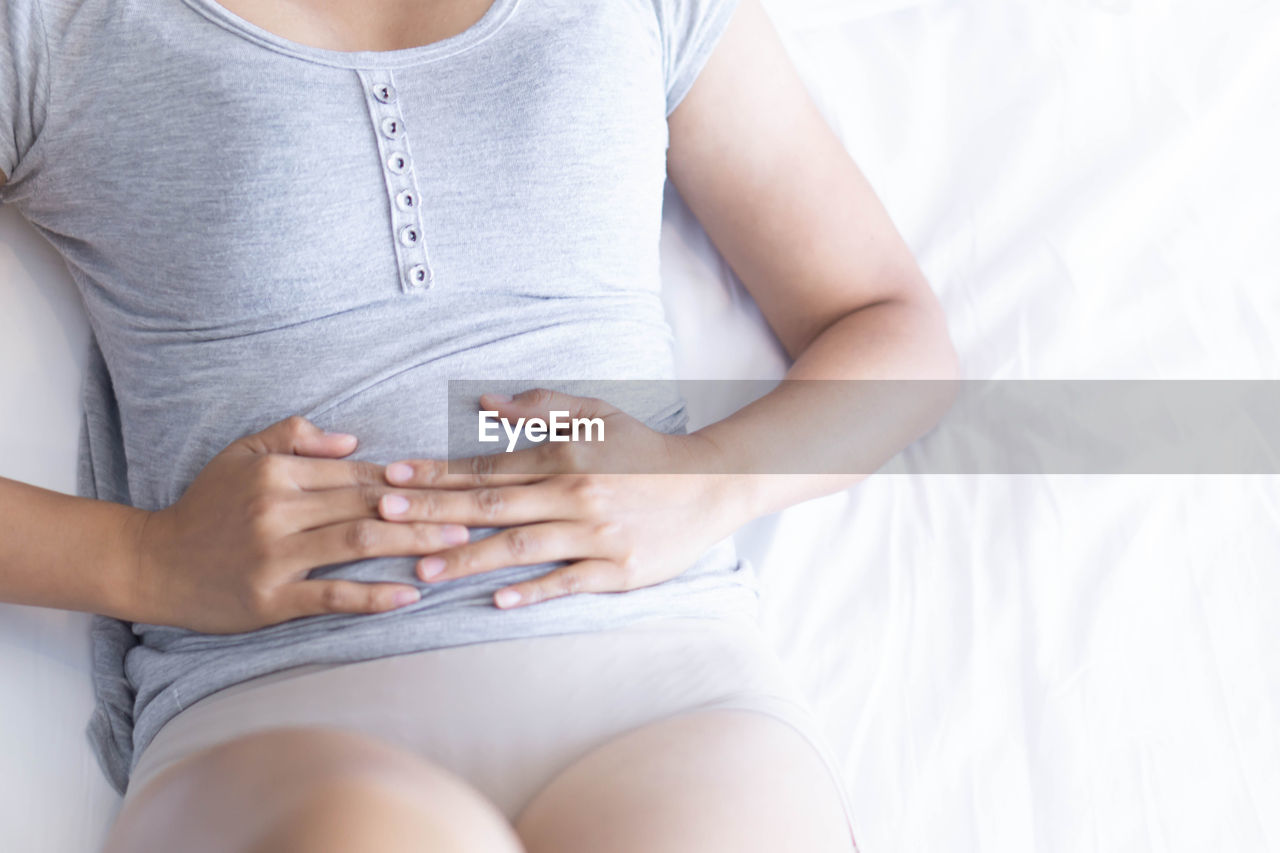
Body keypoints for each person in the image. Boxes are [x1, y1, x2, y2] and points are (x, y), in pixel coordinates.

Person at [0, 0, 958, 849]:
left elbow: (893, 330)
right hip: (272, 708)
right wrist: (144, 561)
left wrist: (707, 479)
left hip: (664, 686)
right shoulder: (55, 27)